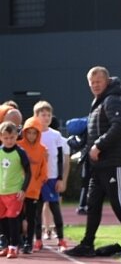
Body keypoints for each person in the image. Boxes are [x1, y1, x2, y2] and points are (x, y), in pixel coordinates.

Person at [64, 67, 121, 258]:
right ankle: (87, 243)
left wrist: (98, 145)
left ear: (107, 81)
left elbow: (119, 127)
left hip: (112, 162)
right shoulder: (99, 102)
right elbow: (97, 130)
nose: (94, 85)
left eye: (98, 81)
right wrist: (85, 146)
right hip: (97, 164)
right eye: (91, 82)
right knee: (93, 204)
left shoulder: (113, 100)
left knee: (119, 202)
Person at [34, 101, 70, 251]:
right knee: (37, 210)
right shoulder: (33, 134)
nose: (46, 117)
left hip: (53, 178)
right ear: (36, 116)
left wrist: (61, 178)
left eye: (49, 115)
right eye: (43, 115)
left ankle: (61, 239)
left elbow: (61, 158)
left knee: (55, 209)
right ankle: (38, 240)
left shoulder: (56, 135)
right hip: (37, 179)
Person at [0, 121, 31, 259]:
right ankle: (6, 246)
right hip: (1, 193)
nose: (9, 140)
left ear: (16, 136)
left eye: (12, 137)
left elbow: (29, 172)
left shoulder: (20, 152)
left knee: (13, 220)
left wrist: (23, 189)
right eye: (6, 138)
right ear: (1, 137)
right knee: (3, 220)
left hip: (14, 193)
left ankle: (14, 247)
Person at [17, 117, 48, 254]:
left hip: (33, 190)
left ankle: (29, 243)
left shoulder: (42, 149)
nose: (31, 136)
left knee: (31, 218)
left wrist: (38, 182)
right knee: (16, 216)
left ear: (38, 134)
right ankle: (17, 241)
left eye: (34, 133)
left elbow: (44, 170)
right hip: (18, 189)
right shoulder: (18, 146)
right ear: (24, 132)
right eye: (28, 132)